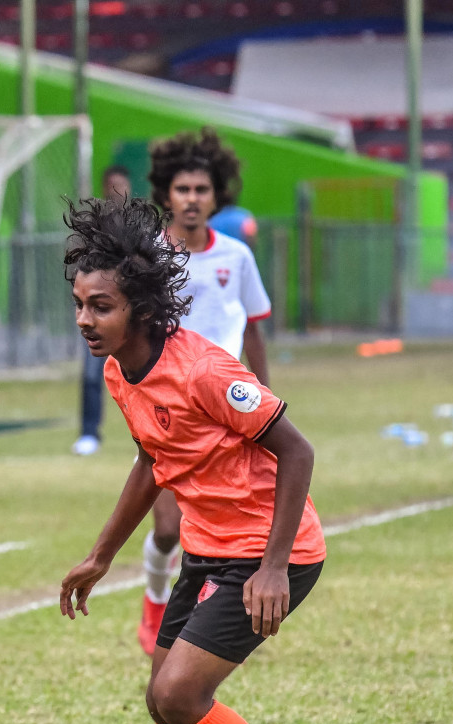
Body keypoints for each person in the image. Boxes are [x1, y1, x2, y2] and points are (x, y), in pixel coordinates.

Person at [58, 196, 334, 724]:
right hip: (209, 548)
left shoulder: (207, 371)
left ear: (141, 307)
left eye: (102, 306)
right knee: (163, 695)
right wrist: (101, 555)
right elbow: (153, 460)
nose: (87, 320)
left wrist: (273, 567)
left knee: (181, 692)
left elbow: (296, 451)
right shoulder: (121, 370)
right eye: (81, 305)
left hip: (273, 551)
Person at [137, 128, 273, 655]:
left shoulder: (236, 256)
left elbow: (255, 329)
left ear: (217, 196)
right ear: (167, 196)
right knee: (169, 527)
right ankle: (154, 597)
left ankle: (201, 619)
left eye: (201, 190)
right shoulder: (148, 257)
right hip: (167, 404)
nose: (192, 199)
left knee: (222, 523)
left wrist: (261, 397)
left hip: (228, 405)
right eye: (182, 190)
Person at [74, 164, 134, 457]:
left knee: (144, 375)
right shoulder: (92, 229)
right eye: (111, 185)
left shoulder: (141, 228)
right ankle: (88, 434)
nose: (116, 191)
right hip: (99, 314)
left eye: (121, 185)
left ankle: (153, 433)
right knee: (91, 374)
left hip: (131, 317)